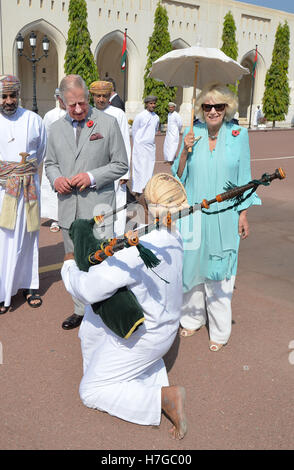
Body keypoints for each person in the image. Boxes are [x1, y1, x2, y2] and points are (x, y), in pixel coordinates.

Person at [61, 173, 188, 440]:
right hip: (165, 327)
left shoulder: (139, 249)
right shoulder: (174, 237)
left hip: (146, 335)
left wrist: (69, 264)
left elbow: (86, 290)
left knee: (91, 391)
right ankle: (132, 371)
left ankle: (162, 398)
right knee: (91, 326)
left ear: (145, 205)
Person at [172, 82, 261, 351]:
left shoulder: (238, 135)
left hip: (224, 215)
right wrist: (184, 151)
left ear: (227, 108)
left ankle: (220, 332)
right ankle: (191, 318)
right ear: (201, 109)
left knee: (220, 271)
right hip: (194, 213)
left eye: (218, 106)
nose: (212, 111)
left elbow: (245, 178)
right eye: (207, 106)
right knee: (192, 266)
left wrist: (243, 213)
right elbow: (179, 175)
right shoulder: (192, 132)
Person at [45, 74, 128, 330]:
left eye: (82, 102)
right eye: (72, 105)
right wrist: (56, 179)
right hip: (69, 208)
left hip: (99, 208)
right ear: (61, 101)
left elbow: (121, 164)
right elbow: (50, 164)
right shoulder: (56, 129)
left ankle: (105, 311)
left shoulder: (108, 123)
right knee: (75, 262)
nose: (79, 109)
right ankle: (80, 310)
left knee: (102, 261)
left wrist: (92, 176)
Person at [0, 74, 46, 314]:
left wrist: (24, 173)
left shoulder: (34, 120)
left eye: (13, 95)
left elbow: (42, 152)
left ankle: (30, 286)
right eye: (4, 96)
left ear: (19, 95)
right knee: (3, 240)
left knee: (29, 237)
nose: (9, 101)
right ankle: (2, 291)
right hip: (2, 192)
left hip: (28, 189)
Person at [89, 80, 131, 236]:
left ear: (109, 96)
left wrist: (125, 173)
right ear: (92, 96)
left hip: (116, 166)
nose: (101, 99)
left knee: (118, 203)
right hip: (96, 167)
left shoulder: (118, 113)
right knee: (96, 202)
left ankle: (117, 238)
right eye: (98, 96)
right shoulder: (89, 114)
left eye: (104, 96)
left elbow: (126, 141)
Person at [40, 88, 66, 232]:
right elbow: (44, 137)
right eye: (60, 97)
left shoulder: (75, 113)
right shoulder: (50, 115)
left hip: (70, 158)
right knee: (53, 189)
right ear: (57, 98)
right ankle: (56, 219)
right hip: (53, 157)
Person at [131, 96, 160, 196]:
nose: (153, 105)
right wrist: (138, 143)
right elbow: (135, 130)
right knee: (139, 167)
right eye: (150, 103)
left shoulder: (156, 117)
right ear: (146, 104)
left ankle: (147, 188)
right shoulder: (140, 116)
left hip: (150, 146)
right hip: (140, 146)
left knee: (149, 167)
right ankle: (138, 190)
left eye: (154, 103)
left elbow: (155, 130)